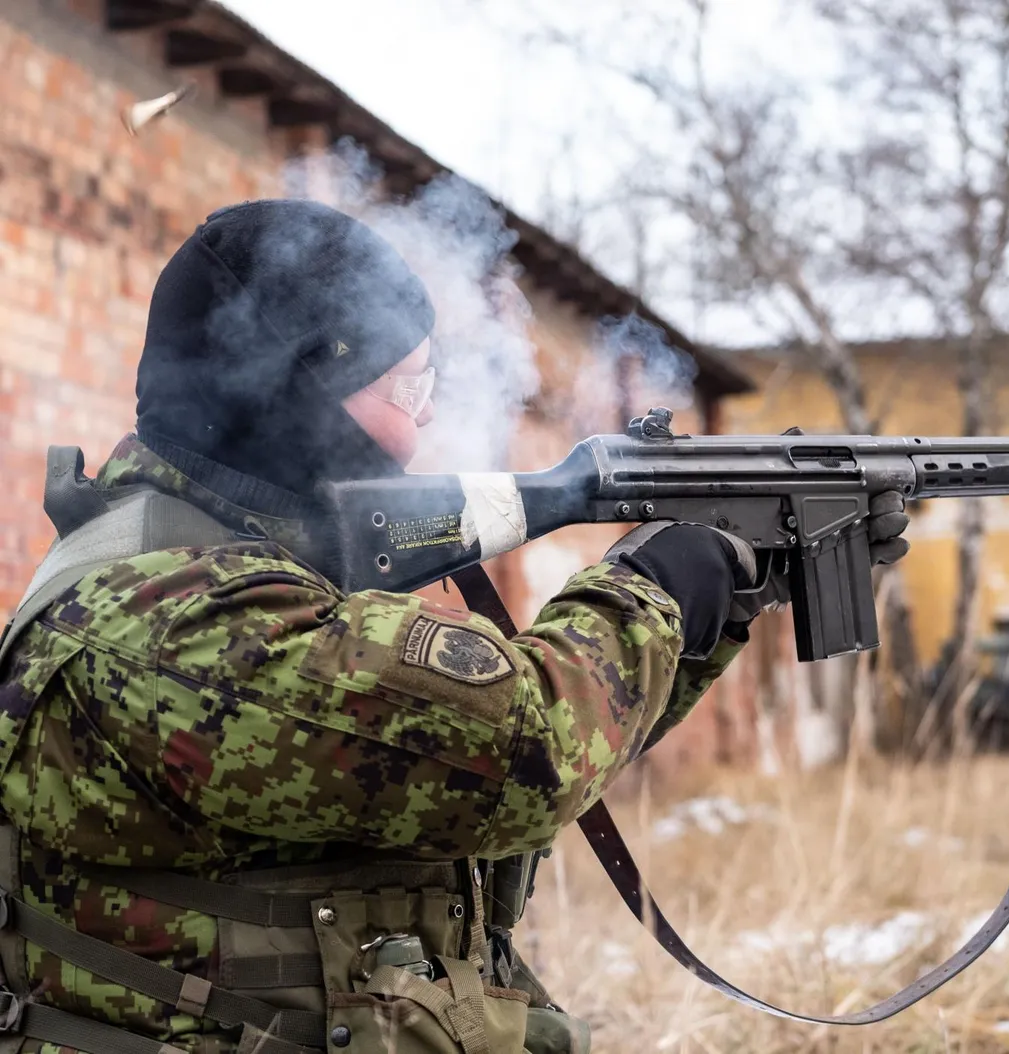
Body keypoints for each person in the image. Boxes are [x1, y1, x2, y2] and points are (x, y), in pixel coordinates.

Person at [0, 199, 909, 1054]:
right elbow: (526, 753)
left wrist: (732, 589)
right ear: (298, 398)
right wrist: (654, 586)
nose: (427, 415)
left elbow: (472, 766)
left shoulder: (227, 571)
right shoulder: (177, 619)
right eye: (408, 385)